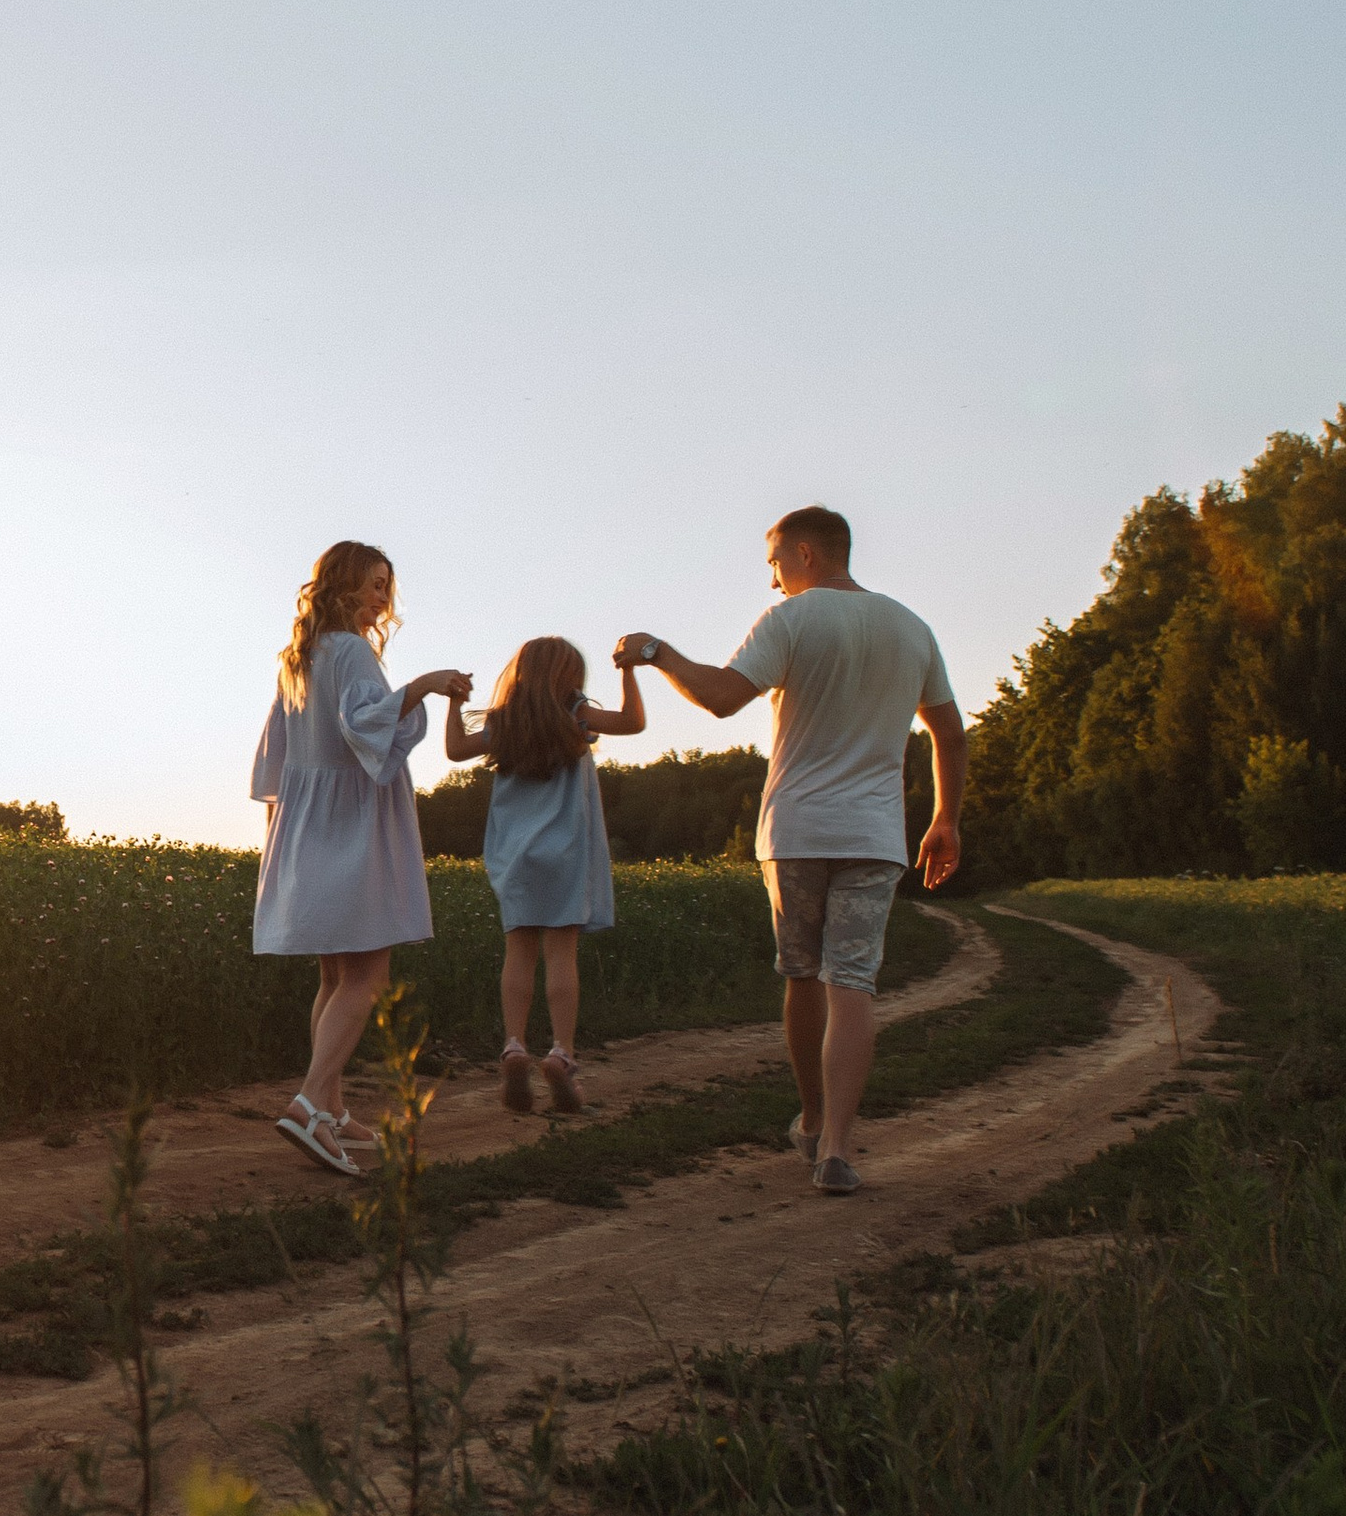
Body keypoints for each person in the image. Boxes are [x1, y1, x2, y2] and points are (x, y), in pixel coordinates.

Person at [617, 506, 964, 1195]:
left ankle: (809, 1118)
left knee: (802, 976)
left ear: (805, 553)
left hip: (798, 831)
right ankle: (837, 1145)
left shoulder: (790, 620)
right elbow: (948, 734)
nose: (772, 580)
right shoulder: (912, 627)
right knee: (854, 982)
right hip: (874, 835)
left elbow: (720, 698)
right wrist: (945, 818)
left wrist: (656, 650)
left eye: (775, 562)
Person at [251, 542, 471, 1175]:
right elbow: (364, 723)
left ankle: (334, 1108)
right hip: (352, 823)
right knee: (368, 975)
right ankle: (309, 1105)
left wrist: (283, 829)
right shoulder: (350, 651)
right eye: (373, 585)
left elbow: (274, 757)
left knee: (333, 978)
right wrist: (425, 685)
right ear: (343, 586)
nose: (382, 598)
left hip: (308, 822)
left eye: (387, 587)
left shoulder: (299, 658)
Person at [440, 636, 647, 1115]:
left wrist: (454, 703)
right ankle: (561, 1053)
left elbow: (454, 751)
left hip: (515, 855)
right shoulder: (574, 713)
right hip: (566, 852)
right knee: (560, 954)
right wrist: (629, 672)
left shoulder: (503, 722)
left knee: (518, 949)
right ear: (569, 675)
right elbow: (633, 723)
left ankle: (514, 1044)